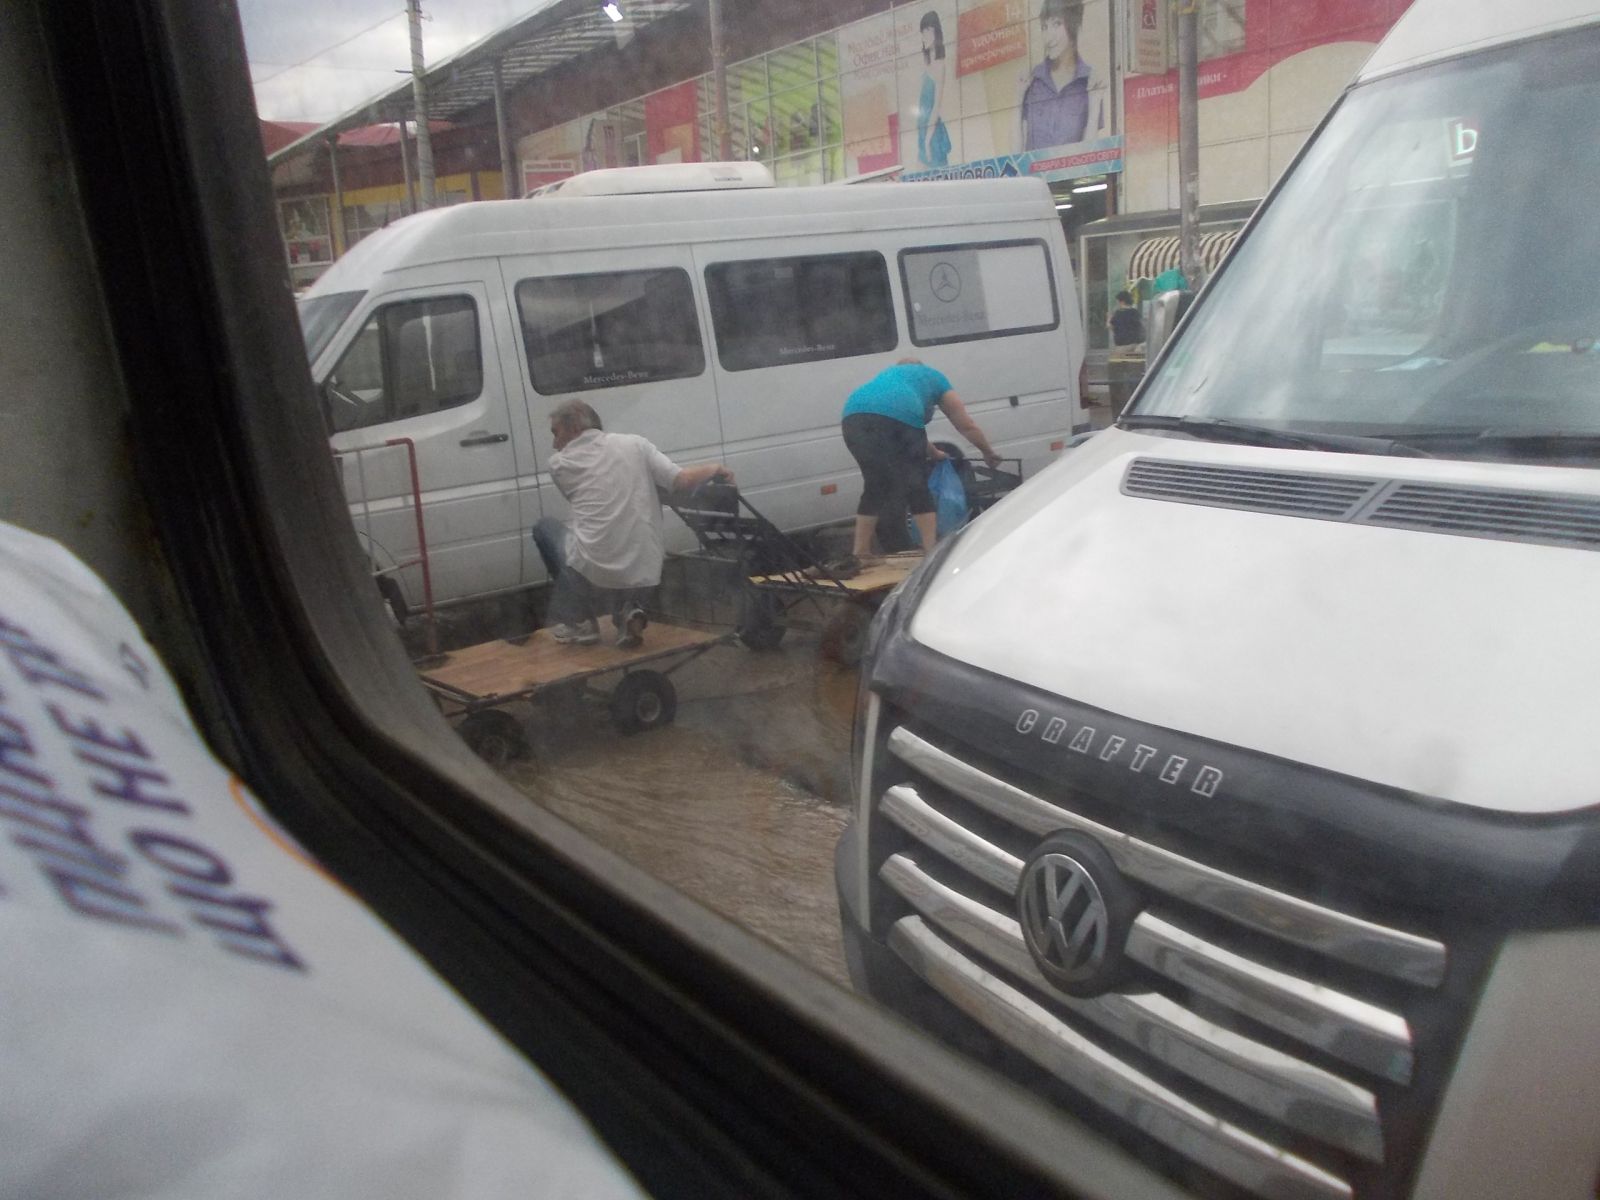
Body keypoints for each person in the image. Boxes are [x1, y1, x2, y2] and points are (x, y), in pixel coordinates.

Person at [533, 400, 732, 648]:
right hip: (645, 572)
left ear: (574, 425)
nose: (554, 443)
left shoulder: (559, 464)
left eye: (556, 432)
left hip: (594, 575)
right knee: (618, 540)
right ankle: (627, 613)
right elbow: (682, 480)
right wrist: (715, 468)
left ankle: (582, 622)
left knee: (546, 528)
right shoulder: (636, 445)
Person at [841, 359, 1001, 561]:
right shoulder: (934, 378)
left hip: (853, 417)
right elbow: (965, 425)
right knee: (916, 484)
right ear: (921, 367)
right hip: (899, 417)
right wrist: (987, 452)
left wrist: (934, 453)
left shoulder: (889, 378)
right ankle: (930, 549)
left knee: (875, 485)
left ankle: (861, 552)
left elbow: (910, 428)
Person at [1019, 0, 1107, 152]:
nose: (1049, 37)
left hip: (1073, 175)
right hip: (1034, 175)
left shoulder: (1089, 83)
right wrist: (1017, 99)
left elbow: (1089, 158)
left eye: (1056, 24)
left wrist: (1095, 104)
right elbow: (1015, 157)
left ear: (1073, 25)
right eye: (1044, 27)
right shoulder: (1032, 81)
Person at [916, 11, 952, 169]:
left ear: (937, 32)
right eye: (923, 31)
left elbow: (935, 108)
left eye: (930, 30)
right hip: (923, 129)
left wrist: (927, 139)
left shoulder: (939, 65)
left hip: (932, 133)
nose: (926, 35)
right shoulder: (927, 64)